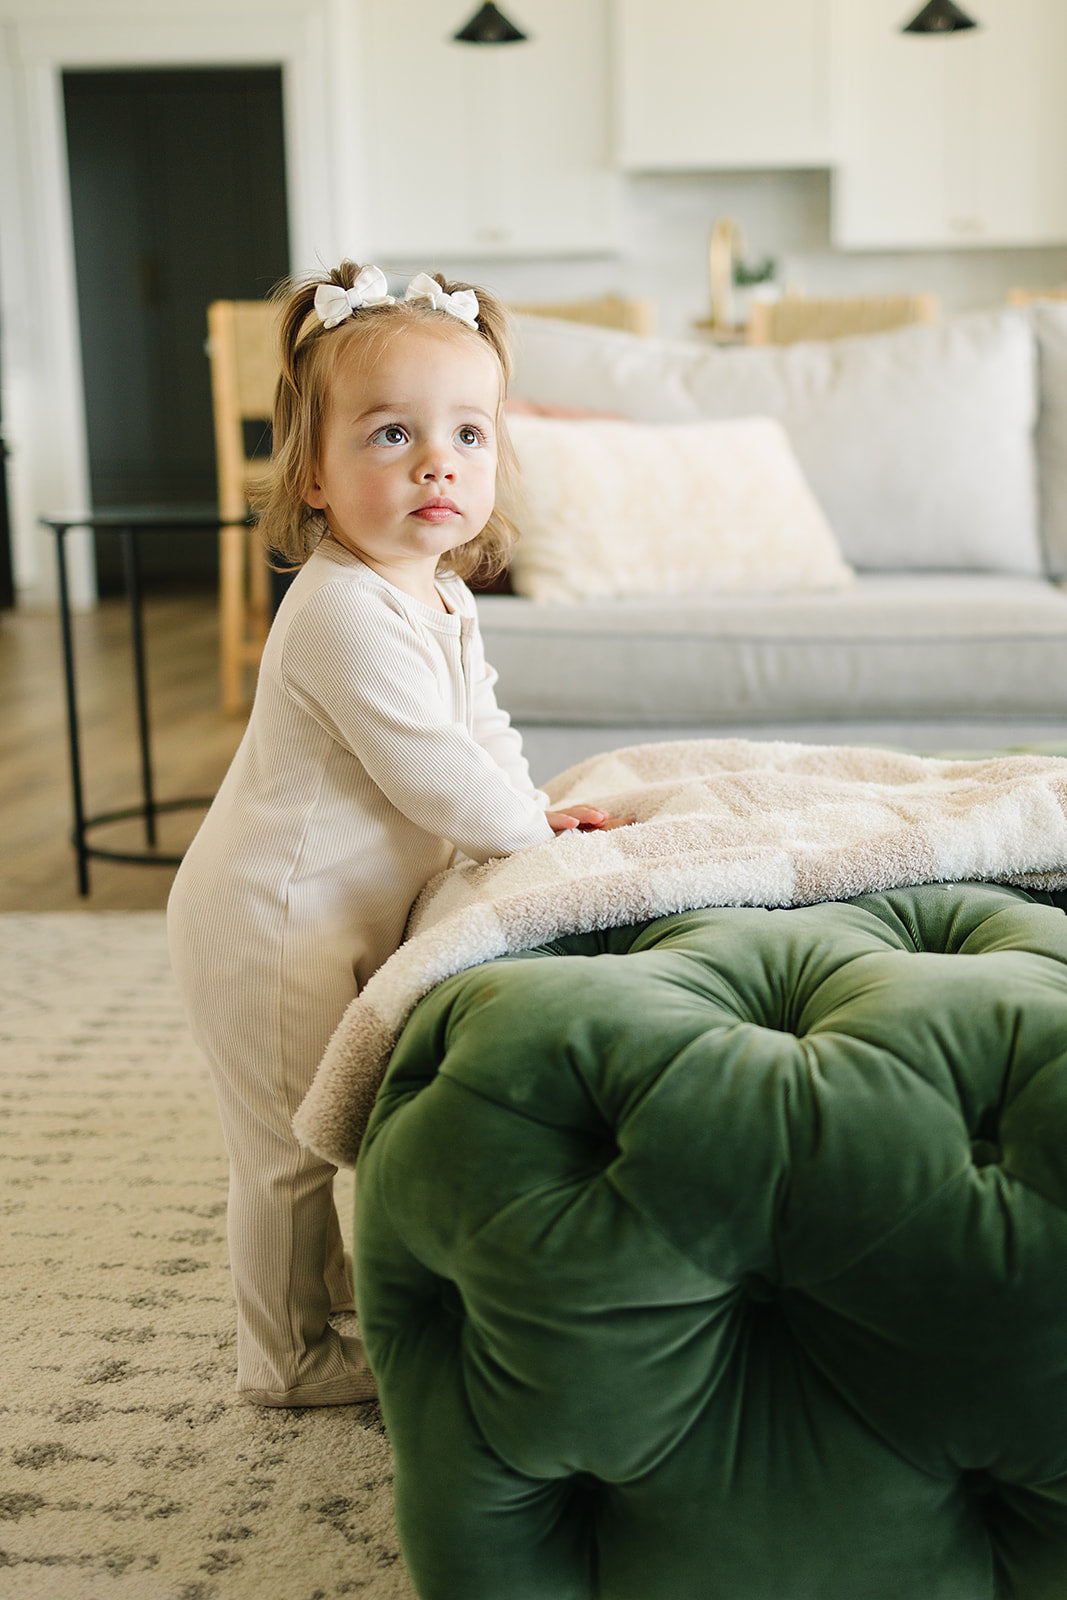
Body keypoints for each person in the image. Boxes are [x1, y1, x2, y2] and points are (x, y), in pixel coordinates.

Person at [167, 262, 628, 1407]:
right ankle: (285, 1357)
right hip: (270, 924)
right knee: (287, 1155)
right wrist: (514, 833)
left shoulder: (439, 592)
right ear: (312, 475)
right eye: (388, 435)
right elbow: (430, 770)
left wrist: (534, 816)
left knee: (349, 1123)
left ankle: (341, 1313)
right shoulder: (334, 610)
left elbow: (479, 730)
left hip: (342, 912)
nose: (437, 462)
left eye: (468, 434)